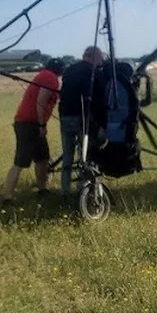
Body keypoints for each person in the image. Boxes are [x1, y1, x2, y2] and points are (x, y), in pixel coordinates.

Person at [3, 57, 65, 203]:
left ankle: (42, 189)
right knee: (20, 162)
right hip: (30, 123)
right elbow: (41, 101)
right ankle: (7, 197)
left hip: (29, 122)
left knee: (42, 159)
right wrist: (41, 125)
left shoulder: (42, 75)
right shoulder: (51, 78)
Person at [58, 46, 105, 199]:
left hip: (65, 116)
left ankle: (65, 191)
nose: (101, 60)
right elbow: (97, 97)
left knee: (67, 156)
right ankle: (83, 190)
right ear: (92, 57)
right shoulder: (92, 72)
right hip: (83, 117)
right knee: (86, 155)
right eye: (99, 57)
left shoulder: (70, 70)